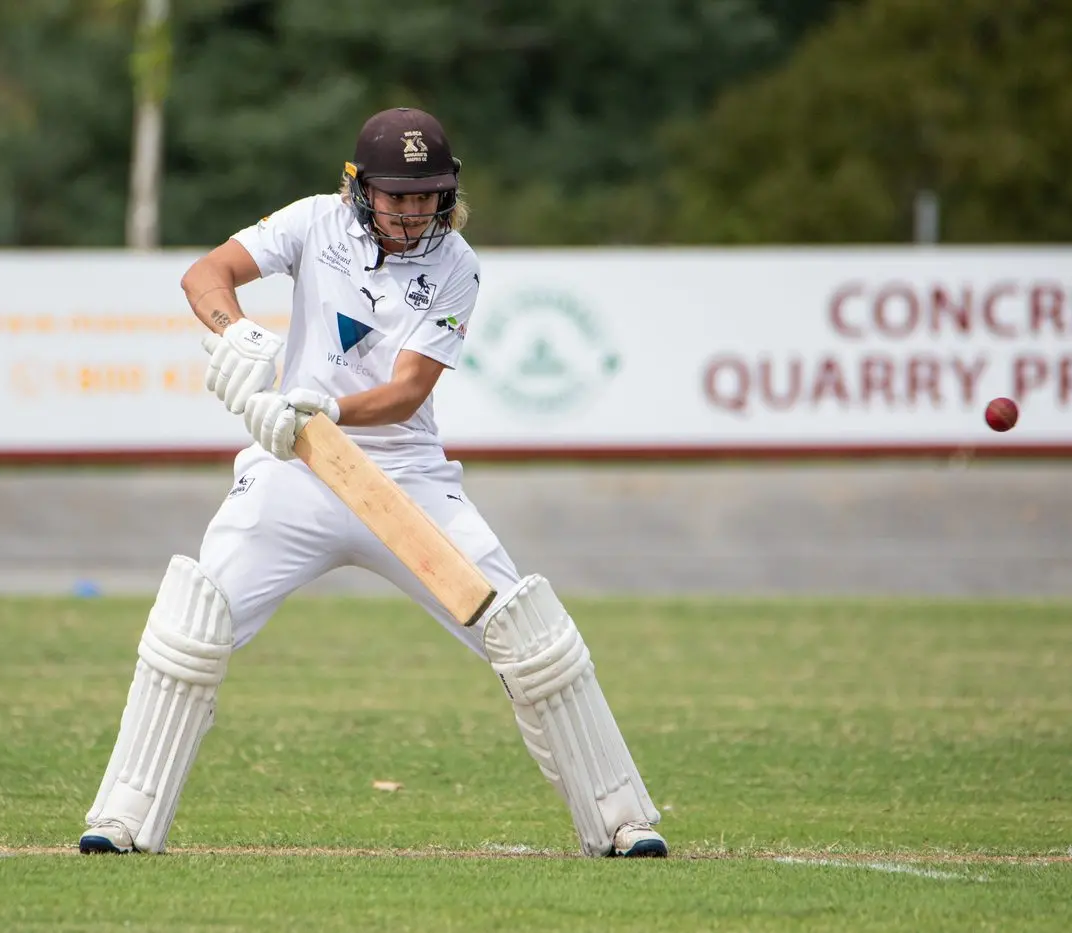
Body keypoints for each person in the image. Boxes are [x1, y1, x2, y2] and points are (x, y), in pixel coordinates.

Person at [78, 107, 667, 859]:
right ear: (358, 187)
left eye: (428, 195)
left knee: (526, 636)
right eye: (398, 195)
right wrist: (239, 333)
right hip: (292, 468)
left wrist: (325, 408)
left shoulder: (456, 263)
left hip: (403, 477)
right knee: (194, 623)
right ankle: (124, 818)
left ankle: (620, 820)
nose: (414, 211)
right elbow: (205, 275)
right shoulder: (312, 222)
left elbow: (408, 391)